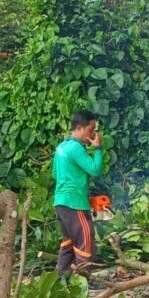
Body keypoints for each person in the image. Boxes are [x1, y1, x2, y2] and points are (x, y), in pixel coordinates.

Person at [52, 109, 105, 275]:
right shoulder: (76, 148)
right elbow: (95, 169)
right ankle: (83, 284)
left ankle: (61, 283)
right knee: (85, 241)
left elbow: (56, 174)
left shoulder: (62, 147)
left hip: (61, 203)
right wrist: (97, 148)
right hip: (74, 204)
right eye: (91, 129)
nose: (93, 134)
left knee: (67, 245)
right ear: (80, 128)